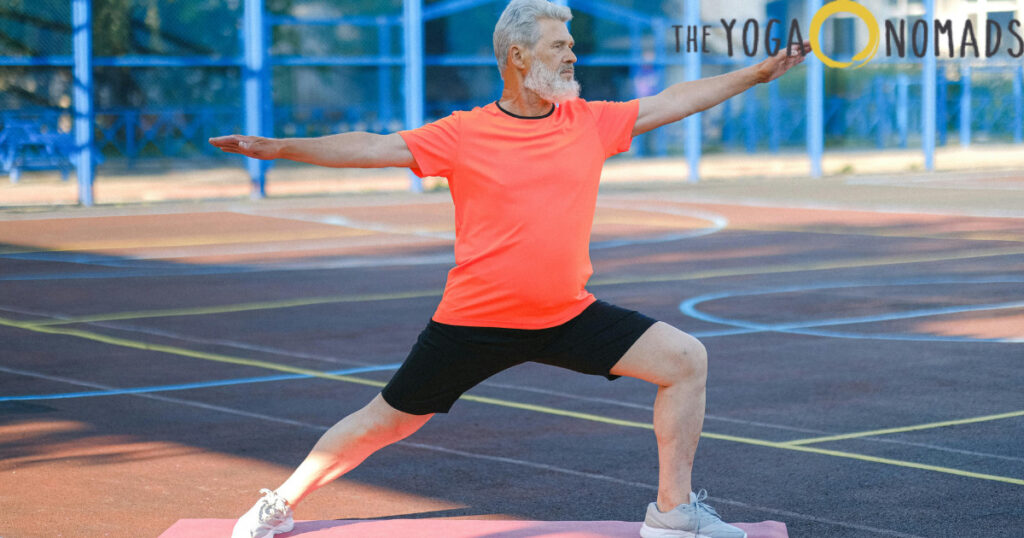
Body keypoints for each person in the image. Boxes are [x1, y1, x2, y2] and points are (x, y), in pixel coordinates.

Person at [210, 1, 809, 536]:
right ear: (518, 57)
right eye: (559, 45)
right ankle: (281, 503)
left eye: (571, 45)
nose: (572, 54)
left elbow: (673, 100)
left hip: (565, 313)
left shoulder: (589, 123)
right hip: (473, 321)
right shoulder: (464, 133)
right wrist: (282, 148)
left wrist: (756, 73)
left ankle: (672, 514)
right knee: (384, 423)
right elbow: (373, 145)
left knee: (685, 360)